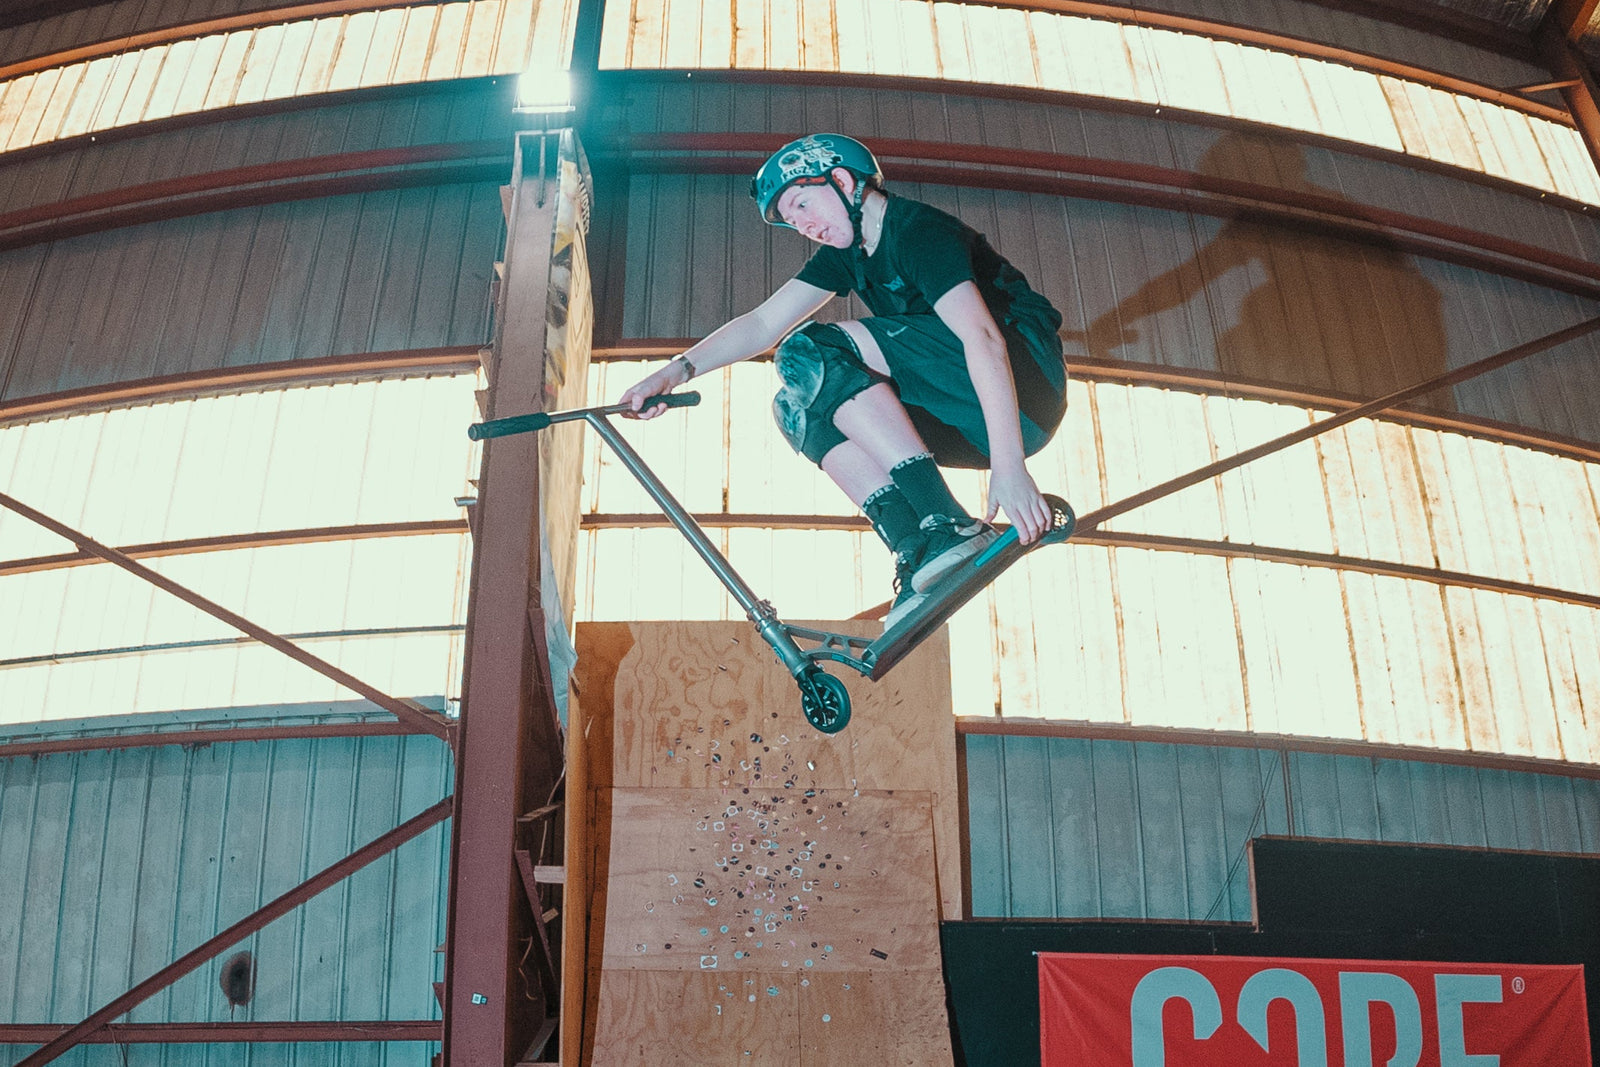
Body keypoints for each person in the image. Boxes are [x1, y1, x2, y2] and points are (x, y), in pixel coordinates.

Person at [620, 133, 1068, 626]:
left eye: (803, 204)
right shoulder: (847, 254)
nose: (805, 226)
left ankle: (948, 523)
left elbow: (982, 339)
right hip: (968, 419)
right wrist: (672, 372)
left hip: (1023, 385)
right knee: (797, 406)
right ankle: (916, 544)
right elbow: (763, 324)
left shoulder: (917, 231)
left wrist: (1010, 468)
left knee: (813, 350)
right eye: (793, 221)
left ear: (842, 179)